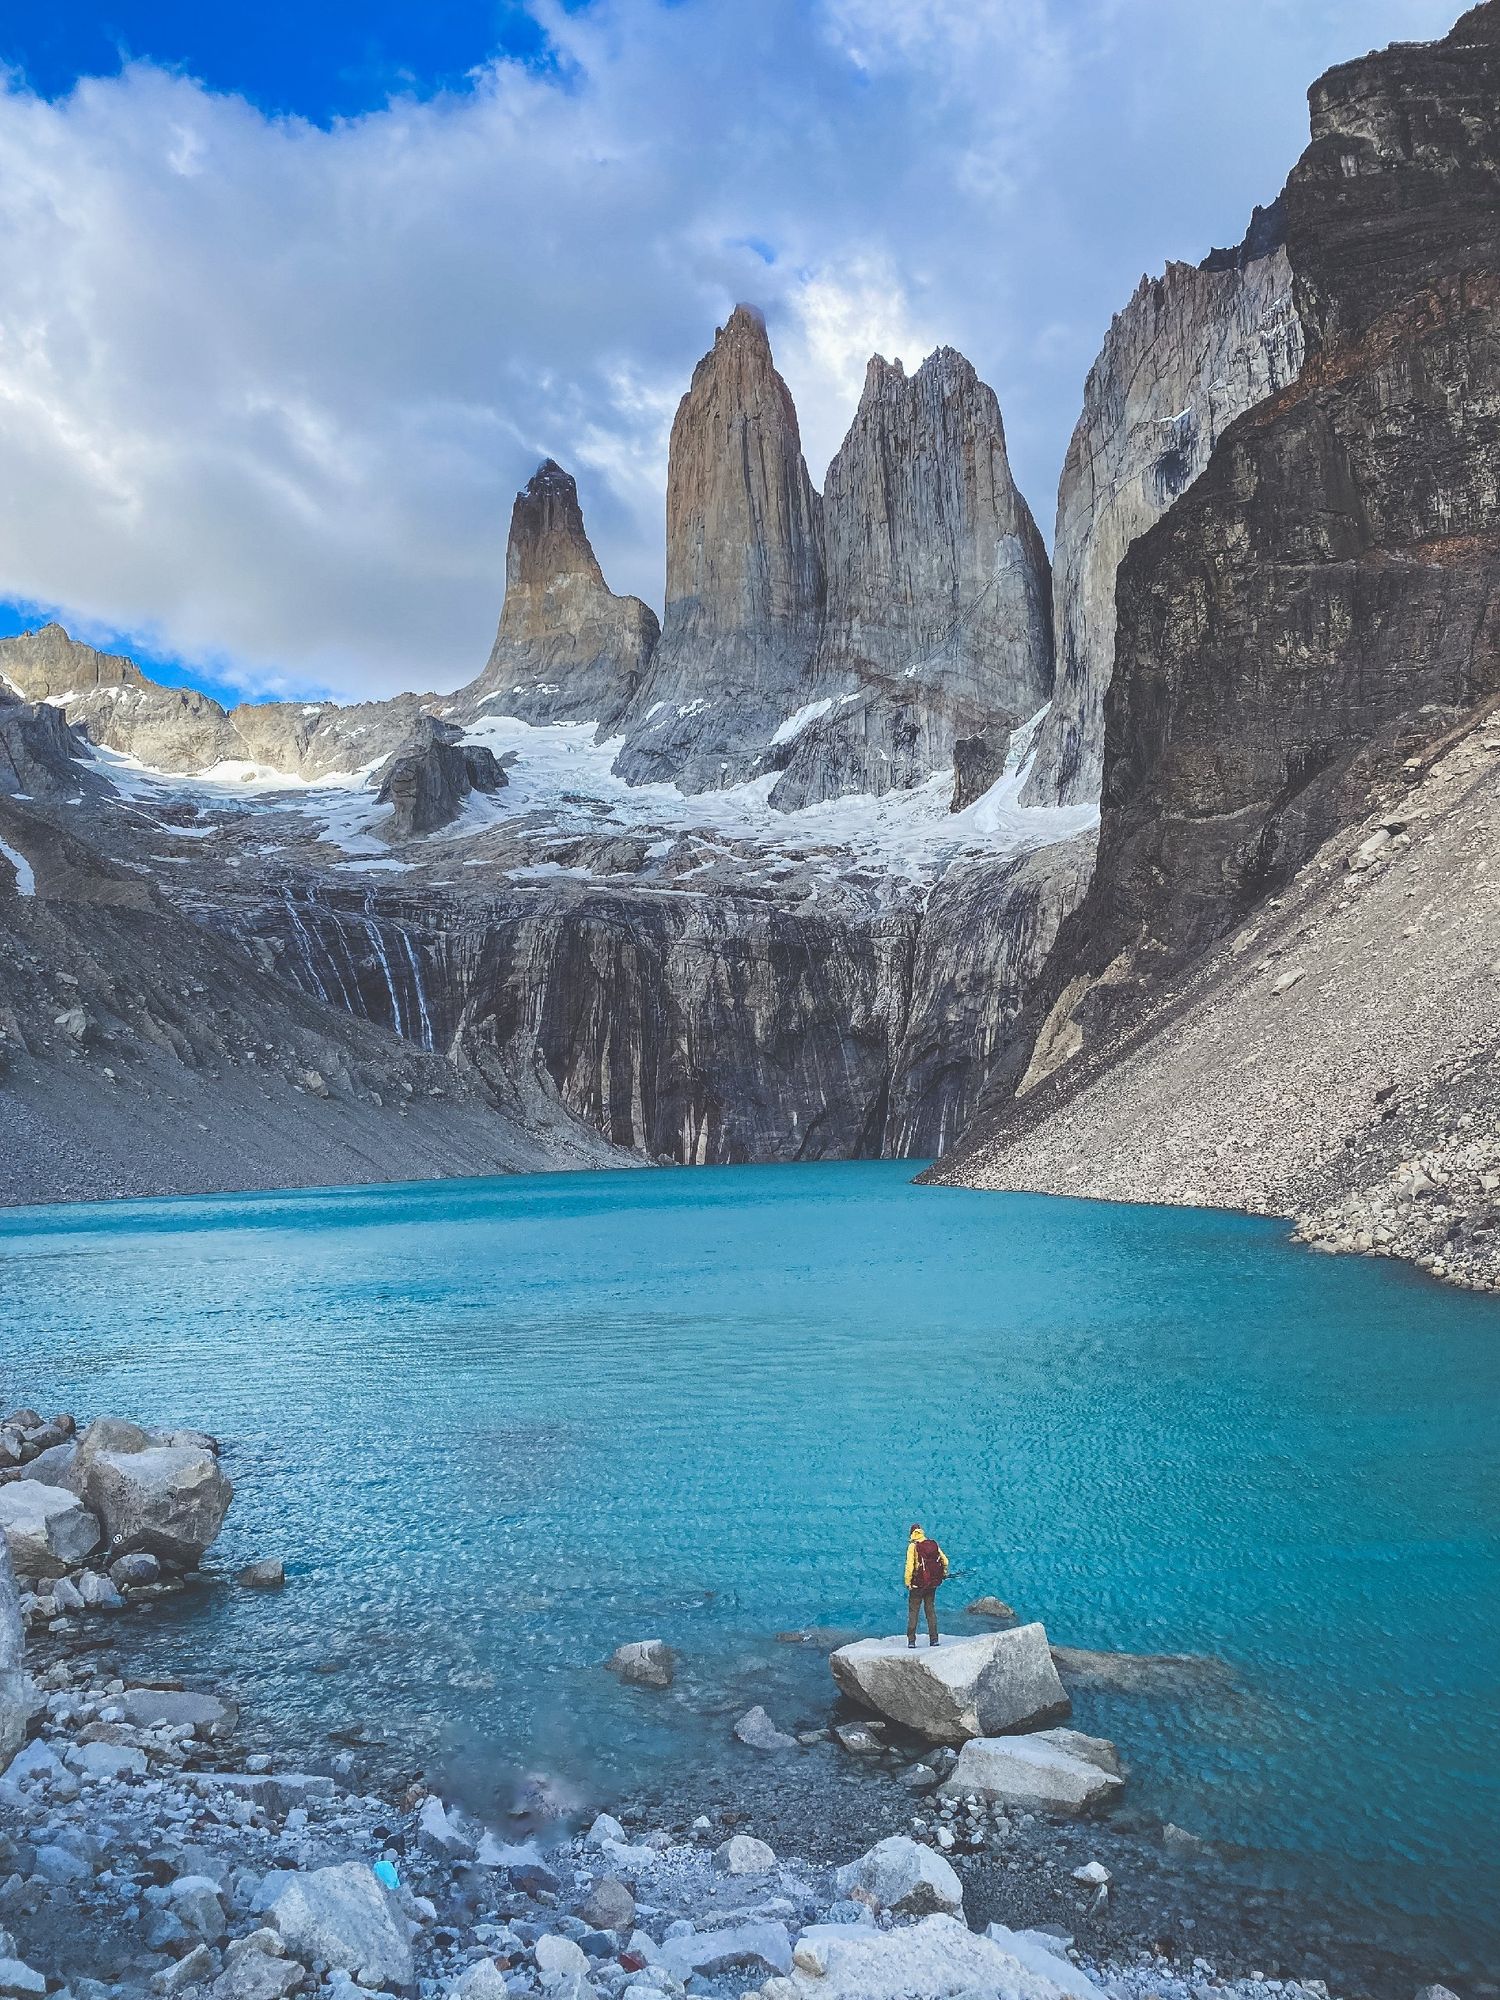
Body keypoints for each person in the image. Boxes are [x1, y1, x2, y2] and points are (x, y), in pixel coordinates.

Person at [904, 1523, 949, 1648]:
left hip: (917, 1585)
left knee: (914, 1612)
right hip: (931, 1584)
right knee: (930, 1611)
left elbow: (909, 1567)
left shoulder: (913, 1546)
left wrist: (908, 1582)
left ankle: (911, 1641)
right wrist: (943, 1573)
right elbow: (945, 1561)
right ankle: (934, 1639)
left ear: (911, 1533)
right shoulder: (932, 1544)